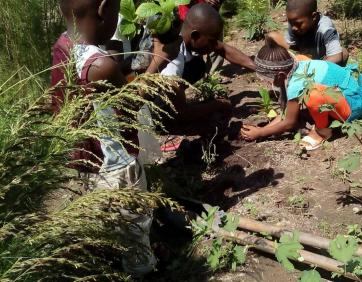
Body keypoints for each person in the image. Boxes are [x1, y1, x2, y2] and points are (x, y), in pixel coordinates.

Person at [52, 0, 156, 276]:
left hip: (87, 160)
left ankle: (106, 261)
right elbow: (131, 103)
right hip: (117, 166)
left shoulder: (62, 46)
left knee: (103, 221)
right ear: (103, 9)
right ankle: (141, 270)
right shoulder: (102, 66)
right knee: (134, 225)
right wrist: (149, 83)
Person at [240, 37, 362, 151]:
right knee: (312, 95)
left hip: (352, 104)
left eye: (267, 80)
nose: (265, 82)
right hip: (345, 91)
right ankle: (324, 116)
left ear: (281, 75)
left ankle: (322, 131)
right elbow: (286, 114)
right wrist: (263, 129)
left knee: (313, 96)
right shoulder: (296, 62)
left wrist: (260, 133)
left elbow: (289, 123)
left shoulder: (296, 84)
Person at [157, 3, 255, 126]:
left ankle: (174, 100)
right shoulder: (173, 65)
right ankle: (165, 116)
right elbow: (183, 113)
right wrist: (217, 104)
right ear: (195, 35)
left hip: (169, 87)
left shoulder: (183, 31)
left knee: (197, 66)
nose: (215, 46)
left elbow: (223, 48)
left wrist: (258, 68)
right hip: (152, 112)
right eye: (211, 42)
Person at [267, 0, 349, 66]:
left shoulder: (325, 29)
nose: (293, 28)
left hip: (322, 61)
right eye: (290, 23)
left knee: (343, 53)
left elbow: (336, 57)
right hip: (303, 58)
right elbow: (291, 47)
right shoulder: (294, 24)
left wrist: (312, 67)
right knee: (271, 36)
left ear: (313, 17)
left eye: (298, 24)